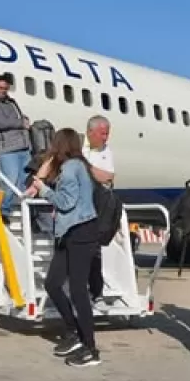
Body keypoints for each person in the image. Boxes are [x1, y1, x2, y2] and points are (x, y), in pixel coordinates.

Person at [26, 128, 101, 367]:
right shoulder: (78, 165)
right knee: (53, 283)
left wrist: (45, 190)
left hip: (79, 233)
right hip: (69, 234)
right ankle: (74, 331)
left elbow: (66, 202)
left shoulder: (71, 169)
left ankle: (90, 348)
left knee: (78, 291)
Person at [0, 73, 32, 218]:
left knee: (25, 183)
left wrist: (24, 121)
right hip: (7, 149)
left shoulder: (11, 103)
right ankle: (3, 210)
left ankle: (26, 213)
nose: (2, 91)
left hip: (23, 148)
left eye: (5, 88)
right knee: (11, 180)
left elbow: (17, 119)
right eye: (0, 87)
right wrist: (20, 123)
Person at [82, 115, 115, 307]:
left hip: (96, 208)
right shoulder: (79, 146)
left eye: (107, 134)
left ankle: (97, 293)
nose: (105, 138)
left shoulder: (106, 151)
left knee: (95, 252)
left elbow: (108, 177)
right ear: (90, 132)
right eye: (103, 134)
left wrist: (84, 167)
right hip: (78, 208)